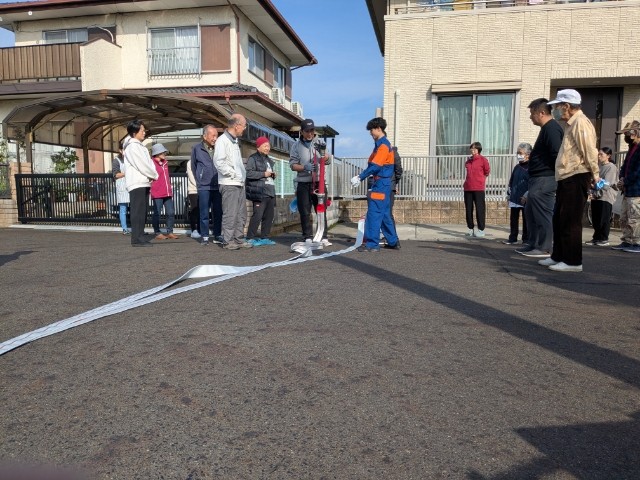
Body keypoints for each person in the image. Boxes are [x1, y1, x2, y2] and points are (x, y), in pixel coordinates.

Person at [539, 89, 599, 272]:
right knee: (559, 218)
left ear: (566, 106)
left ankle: (573, 262)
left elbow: (590, 151)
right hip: (567, 176)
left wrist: (595, 174)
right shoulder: (570, 124)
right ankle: (558, 256)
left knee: (570, 220)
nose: (555, 110)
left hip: (577, 175)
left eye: (557, 106)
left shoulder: (580, 122)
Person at [517, 98, 564, 258]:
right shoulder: (546, 129)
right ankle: (533, 243)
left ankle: (544, 247)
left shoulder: (552, 129)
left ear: (542, 113)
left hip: (545, 178)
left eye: (532, 113)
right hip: (538, 178)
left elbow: (557, 154)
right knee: (531, 212)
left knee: (542, 213)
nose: (530, 117)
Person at [350, 117, 400, 252]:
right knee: (384, 214)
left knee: (374, 213)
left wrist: (360, 177)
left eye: (371, 130)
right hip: (384, 183)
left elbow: (375, 166)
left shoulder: (383, 146)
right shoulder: (382, 145)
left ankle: (372, 244)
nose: (370, 133)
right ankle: (393, 241)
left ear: (378, 129)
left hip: (381, 183)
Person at [289, 118, 332, 246]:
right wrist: (304, 167)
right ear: (302, 131)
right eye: (307, 131)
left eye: (312, 130)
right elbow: (292, 165)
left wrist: (323, 154)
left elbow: (328, 160)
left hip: (319, 182)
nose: (310, 133)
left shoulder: (320, 142)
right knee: (304, 211)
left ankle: (323, 236)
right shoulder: (296, 146)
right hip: (303, 182)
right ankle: (307, 236)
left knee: (321, 210)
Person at [213, 113, 252, 250]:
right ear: (237, 126)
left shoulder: (234, 141)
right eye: (244, 125)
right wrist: (233, 174)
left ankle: (238, 239)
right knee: (230, 213)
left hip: (238, 183)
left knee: (241, 214)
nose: (245, 128)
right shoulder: (222, 140)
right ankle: (227, 240)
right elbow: (219, 162)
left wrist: (240, 176)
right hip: (229, 183)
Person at [123, 119, 158, 247]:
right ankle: (136, 239)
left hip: (143, 182)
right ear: (134, 132)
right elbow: (142, 164)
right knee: (138, 211)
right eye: (142, 130)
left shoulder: (139, 146)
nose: (144, 132)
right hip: (137, 182)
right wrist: (154, 175)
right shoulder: (132, 146)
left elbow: (148, 163)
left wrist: (152, 175)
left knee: (143, 211)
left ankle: (140, 236)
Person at [191, 124, 222, 246]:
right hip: (204, 186)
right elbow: (193, 166)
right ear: (205, 136)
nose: (215, 138)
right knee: (204, 212)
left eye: (216, 136)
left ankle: (217, 234)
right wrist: (199, 179)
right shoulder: (196, 148)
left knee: (218, 211)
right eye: (213, 136)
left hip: (218, 184)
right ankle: (204, 236)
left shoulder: (219, 147)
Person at [612, 121, 640, 253]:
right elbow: (624, 167)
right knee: (624, 217)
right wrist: (622, 178)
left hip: (636, 190)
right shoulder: (631, 148)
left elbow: (638, 171)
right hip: (627, 189)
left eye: (628, 133)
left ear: (635, 133)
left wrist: (625, 181)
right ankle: (627, 240)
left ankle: (637, 242)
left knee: (635, 218)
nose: (626, 136)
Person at [245, 136, 277, 245]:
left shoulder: (269, 160)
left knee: (269, 216)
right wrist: (264, 174)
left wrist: (272, 175)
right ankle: (250, 237)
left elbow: (267, 174)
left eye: (268, 146)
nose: (268, 148)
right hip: (260, 192)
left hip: (270, 191)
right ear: (258, 147)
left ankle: (265, 237)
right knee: (257, 215)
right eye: (265, 146)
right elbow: (249, 173)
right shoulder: (253, 158)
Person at [586, 147, 618, 246]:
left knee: (603, 218)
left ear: (608, 156)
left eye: (601, 154)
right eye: (598, 154)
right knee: (596, 218)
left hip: (605, 196)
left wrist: (596, 184)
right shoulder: (599, 167)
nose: (599, 156)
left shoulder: (611, 167)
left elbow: (607, 184)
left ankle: (604, 238)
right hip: (596, 195)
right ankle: (596, 237)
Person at [503, 142, 531, 245]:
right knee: (513, 219)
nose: (518, 155)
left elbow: (532, 182)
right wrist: (509, 193)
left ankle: (526, 239)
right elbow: (511, 181)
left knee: (526, 220)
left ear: (528, 154)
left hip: (525, 198)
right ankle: (512, 238)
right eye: (517, 153)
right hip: (514, 197)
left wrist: (527, 195)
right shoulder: (517, 167)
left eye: (521, 153)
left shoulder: (531, 167)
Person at [150, 144, 179, 240]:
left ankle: (170, 232)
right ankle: (157, 232)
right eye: (163, 152)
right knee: (157, 213)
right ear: (157, 153)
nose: (164, 153)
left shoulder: (165, 163)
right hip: (157, 192)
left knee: (171, 212)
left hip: (167, 192)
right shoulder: (151, 163)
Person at [463, 141, 490, 237]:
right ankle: (470, 228)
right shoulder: (468, 161)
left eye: (474, 148)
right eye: (471, 148)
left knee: (480, 209)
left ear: (478, 149)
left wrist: (481, 180)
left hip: (478, 188)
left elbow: (487, 171)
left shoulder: (483, 160)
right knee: (468, 209)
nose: (472, 150)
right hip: (468, 188)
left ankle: (481, 229)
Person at [111, 141, 130, 235]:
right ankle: (124, 228)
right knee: (123, 209)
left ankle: (136, 228)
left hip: (131, 185)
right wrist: (127, 173)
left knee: (135, 209)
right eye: (124, 149)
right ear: (120, 150)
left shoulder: (130, 159)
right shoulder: (116, 160)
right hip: (122, 186)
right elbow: (116, 174)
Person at [185, 157, 200, 239]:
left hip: (203, 189)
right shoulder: (190, 162)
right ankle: (194, 230)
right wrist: (200, 185)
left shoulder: (202, 161)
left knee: (202, 211)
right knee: (194, 210)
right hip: (193, 190)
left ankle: (200, 229)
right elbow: (191, 177)